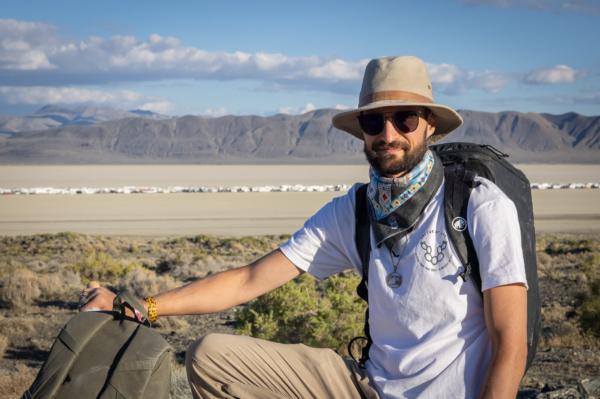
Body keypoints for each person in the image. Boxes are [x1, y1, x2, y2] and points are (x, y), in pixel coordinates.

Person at [81, 56, 528, 399]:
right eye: (374, 121)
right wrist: (144, 308)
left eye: (404, 118)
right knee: (211, 357)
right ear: (362, 132)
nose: (388, 133)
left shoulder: (476, 203)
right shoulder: (352, 210)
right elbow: (250, 279)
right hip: (368, 387)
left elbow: (509, 341)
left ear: (429, 126)